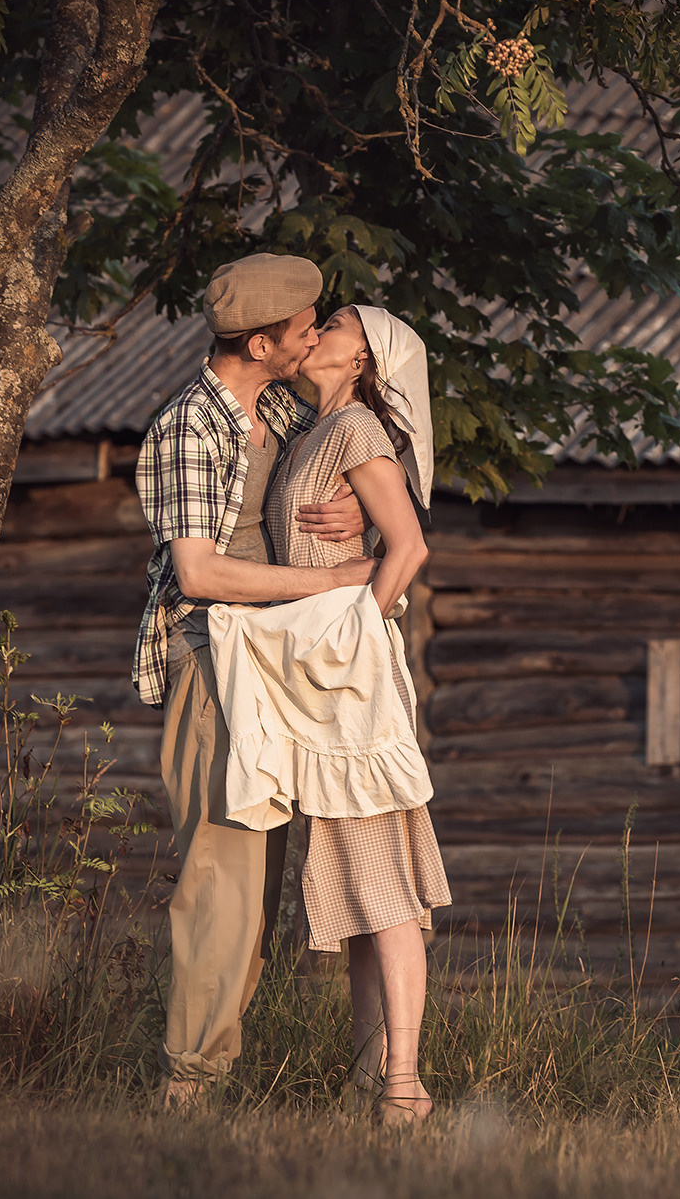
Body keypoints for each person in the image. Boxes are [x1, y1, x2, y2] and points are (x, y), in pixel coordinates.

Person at [133, 253, 376, 1108]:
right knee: (223, 878)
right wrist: (332, 580)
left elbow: (374, 432)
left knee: (275, 883)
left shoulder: (277, 404)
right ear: (264, 341)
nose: (317, 332)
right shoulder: (186, 428)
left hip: (280, 664)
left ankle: (379, 1074)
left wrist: (359, 506)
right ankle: (188, 1089)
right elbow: (199, 572)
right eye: (304, 327)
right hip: (213, 666)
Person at [263, 302, 447, 1126]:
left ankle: (404, 1083)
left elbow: (410, 548)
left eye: (331, 324)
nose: (314, 333)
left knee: (387, 884)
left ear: (363, 357)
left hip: (349, 675)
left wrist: (357, 633)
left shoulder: (358, 429)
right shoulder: (311, 430)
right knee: (352, 884)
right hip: (317, 677)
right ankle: (371, 1075)